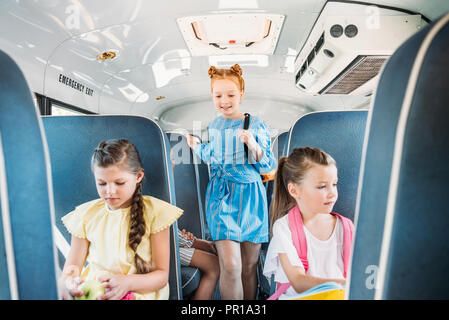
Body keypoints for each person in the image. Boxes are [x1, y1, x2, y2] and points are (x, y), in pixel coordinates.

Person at [185, 64, 277, 300]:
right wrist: (196, 146)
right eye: (218, 96)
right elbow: (214, 157)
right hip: (221, 197)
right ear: (212, 96)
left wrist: (253, 145)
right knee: (231, 266)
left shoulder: (256, 125)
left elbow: (267, 166)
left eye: (230, 95)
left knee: (248, 268)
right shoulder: (215, 125)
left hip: (250, 198)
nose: (224, 101)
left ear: (241, 95)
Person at [59, 139, 183, 300]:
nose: (110, 191)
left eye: (119, 183)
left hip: (138, 292)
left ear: (138, 176)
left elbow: (161, 275)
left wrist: (128, 283)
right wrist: (67, 283)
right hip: (95, 291)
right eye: (102, 183)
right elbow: (72, 267)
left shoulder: (155, 213)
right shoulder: (85, 215)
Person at [263, 147, 354, 300]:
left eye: (335, 184)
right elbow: (299, 282)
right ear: (294, 190)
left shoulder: (345, 227)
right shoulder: (284, 228)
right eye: (322, 186)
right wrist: (347, 284)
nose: (332, 193)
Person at [178, 228, 219, 300]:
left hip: (172, 241)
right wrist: (197, 243)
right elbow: (170, 236)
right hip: (162, 250)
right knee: (215, 265)